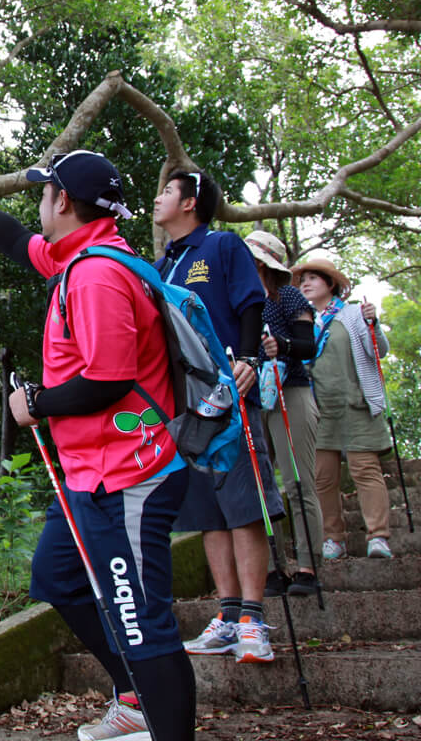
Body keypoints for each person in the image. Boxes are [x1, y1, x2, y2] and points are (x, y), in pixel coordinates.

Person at [0, 150, 194, 741]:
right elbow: (15, 241)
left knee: (141, 622)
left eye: (45, 191)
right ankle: (132, 697)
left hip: (128, 475)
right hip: (87, 475)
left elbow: (108, 377)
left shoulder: (99, 274)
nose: (39, 201)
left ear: (64, 202)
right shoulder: (75, 254)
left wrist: (37, 404)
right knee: (57, 580)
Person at [150, 168, 284, 665]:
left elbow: (251, 304)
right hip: (185, 407)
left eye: (167, 191)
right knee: (206, 512)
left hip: (230, 393)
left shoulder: (225, 247)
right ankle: (227, 618)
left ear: (191, 203)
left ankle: (252, 619)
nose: (158, 198)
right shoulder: (160, 265)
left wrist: (248, 359)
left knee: (245, 504)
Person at [290, 256, 394, 560]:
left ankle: (378, 536)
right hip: (318, 410)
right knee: (322, 476)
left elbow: (380, 351)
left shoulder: (351, 314)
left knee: (365, 469)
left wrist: (373, 323)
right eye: (302, 280)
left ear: (330, 283)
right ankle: (333, 538)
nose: (306, 284)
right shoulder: (301, 319)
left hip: (355, 404)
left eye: (312, 278)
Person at [245, 230, 322, 597]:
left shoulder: (289, 296)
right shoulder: (240, 299)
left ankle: (308, 565)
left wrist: (283, 345)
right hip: (252, 396)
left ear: (259, 262)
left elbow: (308, 345)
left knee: (297, 481)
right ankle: (273, 566)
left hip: (290, 390)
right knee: (261, 486)